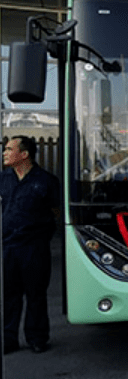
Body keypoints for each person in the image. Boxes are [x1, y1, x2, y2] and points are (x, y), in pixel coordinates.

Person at [1, 136, 59, 354]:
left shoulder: (46, 181)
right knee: (9, 295)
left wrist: (46, 236)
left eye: (9, 149)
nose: (4, 153)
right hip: (8, 245)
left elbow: (57, 212)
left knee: (36, 294)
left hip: (35, 246)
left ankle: (37, 338)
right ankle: (9, 339)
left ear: (24, 155)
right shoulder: (3, 179)